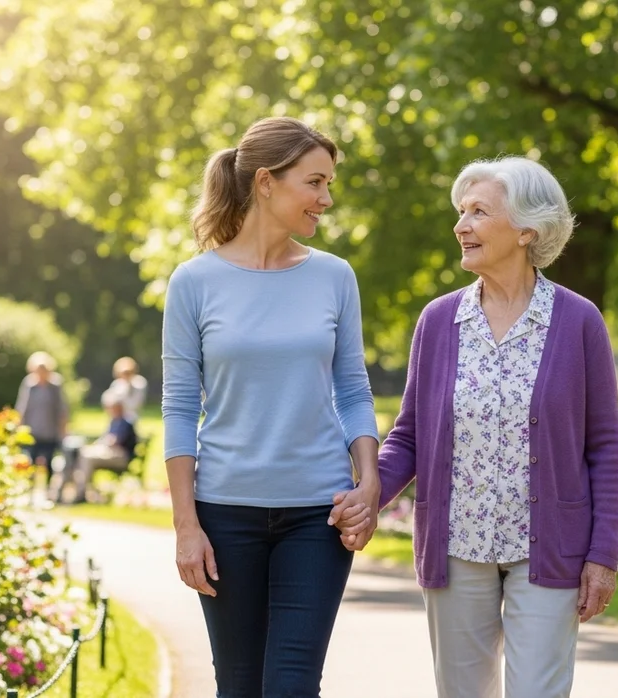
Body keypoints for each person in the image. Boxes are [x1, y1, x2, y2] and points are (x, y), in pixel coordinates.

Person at [332, 156, 618, 698]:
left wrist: (603, 555)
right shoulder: (440, 321)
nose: (460, 226)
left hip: (549, 549)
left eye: (478, 213)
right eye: (461, 212)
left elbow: (604, 447)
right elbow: (412, 434)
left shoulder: (579, 320)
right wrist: (369, 494)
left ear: (525, 230)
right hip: (456, 545)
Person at [161, 116, 380, 697]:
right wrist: (187, 525)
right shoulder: (193, 282)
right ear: (265, 182)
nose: (326, 199)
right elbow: (180, 408)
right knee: (237, 686)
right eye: (315, 182)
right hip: (224, 514)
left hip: (318, 514)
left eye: (328, 184)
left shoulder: (335, 276)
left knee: (290, 685)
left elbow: (353, 391)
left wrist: (370, 482)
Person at [69, 387, 139, 502]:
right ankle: (82, 490)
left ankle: (81, 493)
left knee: (87, 458)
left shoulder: (126, 423)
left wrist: (103, 443)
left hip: (121, 456)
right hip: (109, 453)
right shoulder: (113, 421)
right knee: (82, 454)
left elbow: (115, 442)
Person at [14, 351, 69, 493]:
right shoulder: (29, 384)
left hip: (50, 430)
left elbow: (62, 409)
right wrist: (18, 426)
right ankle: (30, 491)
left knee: (49, 462)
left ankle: (48, 491)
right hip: (32, 430)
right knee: (30, 461)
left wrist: (63, 429)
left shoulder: (55, 385)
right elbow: (22, 407)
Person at [109, 356, 147, 424]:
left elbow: (135, 404)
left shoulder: (139, 383)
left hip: (131, 418)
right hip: (116, 418)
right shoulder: (116, 384)